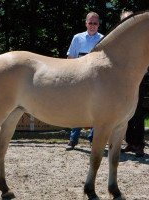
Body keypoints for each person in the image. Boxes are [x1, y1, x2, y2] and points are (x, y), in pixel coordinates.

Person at [65, 11, 104, 150]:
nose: (92, 25)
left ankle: (93, 139)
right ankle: (73, 139)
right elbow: (70, 58)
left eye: (95, 23)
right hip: (79, 80)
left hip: (96, 82)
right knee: (77, 108)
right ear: (86, 23)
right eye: (90, 23)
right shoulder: (77, 38)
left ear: (98, 24)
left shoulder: (104, 39)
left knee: (97, 109)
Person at [118, 10, 146, 157]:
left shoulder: (140, 38)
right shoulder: (118, 38)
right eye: (124, 20)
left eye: (129, 19)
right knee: (125, 113)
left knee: (138, 112)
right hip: (122, 81)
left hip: (137, 79)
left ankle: (140, 144)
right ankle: (129, 142)